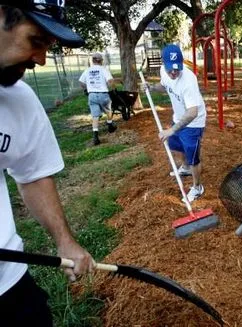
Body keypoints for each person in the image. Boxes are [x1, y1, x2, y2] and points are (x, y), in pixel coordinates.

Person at [0, 1, 95, 325]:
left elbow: (32, 176)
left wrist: (65, 242)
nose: (40, 59)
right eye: (36, 40)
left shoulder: (20, 101)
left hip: (9, 285)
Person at [148, 44, 207, 202]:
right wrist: (152, 87)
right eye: (170, 69)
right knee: (177, 146)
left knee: (193, 156)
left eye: (177, 68)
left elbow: (193, 112)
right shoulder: (163, 71)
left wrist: (172, 130)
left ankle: (197, 187)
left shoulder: (188, 80)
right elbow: (165, 85)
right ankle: (185, 168)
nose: (174, 72)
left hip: (194, 122)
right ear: (164, 63)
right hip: (179, 117)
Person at [79, 52, 116, 145]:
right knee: (108, 110)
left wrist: (86, 89)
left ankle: (95, 137)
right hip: (103, 94)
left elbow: (81, 83)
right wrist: (112, 88)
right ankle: (110, 125)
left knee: (95, 116)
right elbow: (110, 81)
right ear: (101, 61)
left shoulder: (87, 70)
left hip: (92, 95)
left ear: (93, 61)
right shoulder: (104, 70)